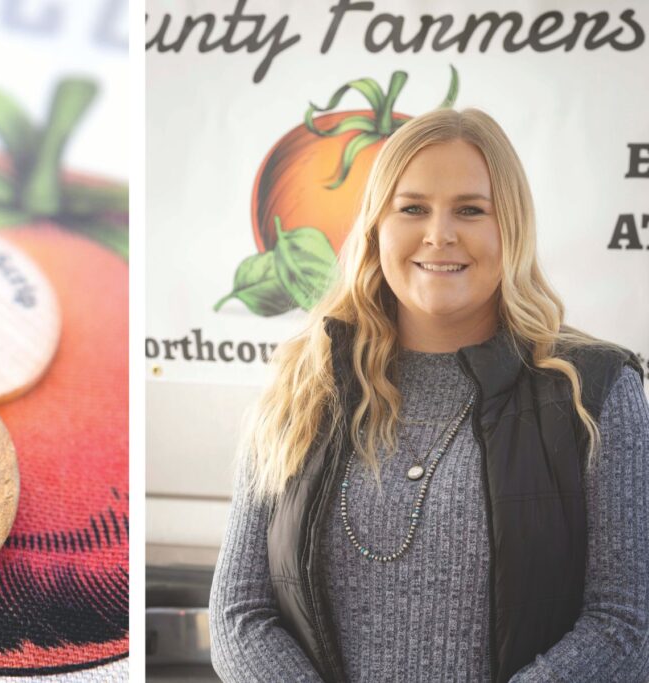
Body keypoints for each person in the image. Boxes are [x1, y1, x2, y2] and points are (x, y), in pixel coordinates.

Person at [208, 107, 649, 682]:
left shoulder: (594, 388)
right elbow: (238, 614)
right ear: (375, 227)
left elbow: (627, 625)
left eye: (470, 210)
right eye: (412, 208)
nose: (439, 234)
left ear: (510, 228)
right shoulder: (303, 383)